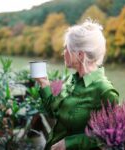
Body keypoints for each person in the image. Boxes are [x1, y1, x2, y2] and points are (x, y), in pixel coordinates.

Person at [35, 19, 119, 150]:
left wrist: (69, 143)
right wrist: (44, 83)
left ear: (79, 54)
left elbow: (110, 136)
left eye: (66, 48)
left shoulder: (105, 91)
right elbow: (55, 112)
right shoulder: (71, 80)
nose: (63, 53)